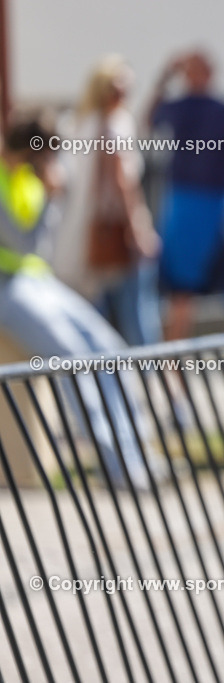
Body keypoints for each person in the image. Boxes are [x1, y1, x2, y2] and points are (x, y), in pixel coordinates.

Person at [0, 113, 148, 488]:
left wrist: (51, 198)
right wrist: (53, 199)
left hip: (34, 280)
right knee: (75, 361)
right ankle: (117, 467)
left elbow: (40, 249)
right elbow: (24, 242)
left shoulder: (27, 178)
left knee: (109, 348)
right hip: (7, 288)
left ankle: (139, 452)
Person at [147, 50, 224, 339]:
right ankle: (172, 371)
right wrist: (164, 76)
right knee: (182, 292)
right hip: (187, 205)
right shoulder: (179, 108)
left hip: (216, 205)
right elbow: (150, 121)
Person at [54, 54, 162, 346]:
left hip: (83, 233)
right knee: (136, 312)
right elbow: (123, 183)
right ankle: (148, 381)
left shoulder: (78, 123)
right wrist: (139, 229)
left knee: (93, 312)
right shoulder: (113, 125)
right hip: (115, 230)